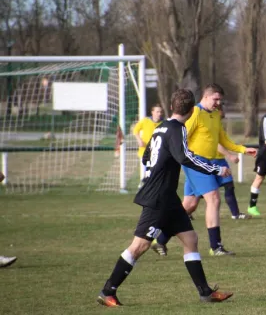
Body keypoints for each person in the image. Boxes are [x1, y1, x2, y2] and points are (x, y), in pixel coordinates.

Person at [96, 89, 233, 307]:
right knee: (139, 246)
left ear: (172, 107)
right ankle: (107, 291)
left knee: (191, 239)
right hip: (158, 198)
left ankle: (205, 292)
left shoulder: (160, 128)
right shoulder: (177, 129)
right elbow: (185, 157)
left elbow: (148, 157)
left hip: (167, 197)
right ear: (190, 111)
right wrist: (215, 169)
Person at [151, 84, 256, 257]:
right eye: (215, 99)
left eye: (220, 100)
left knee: (189, 206)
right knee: (214, 199)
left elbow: (223, 140)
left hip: (207, 164)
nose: (218, 103)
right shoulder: (195, 113)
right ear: (205, 97)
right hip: (196, 163)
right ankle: (216, 246)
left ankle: (160, 239)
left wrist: (243, 150)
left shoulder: (214, 115)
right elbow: (180, 137)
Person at [214, 105, 251, 220]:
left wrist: (243, 149)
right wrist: (230, 155)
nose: (224, 112)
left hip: (220, 160)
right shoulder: (209, 123)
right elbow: (214, 143)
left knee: (229, 186)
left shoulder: (218, 124)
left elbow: (226, 142)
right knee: (202, 193)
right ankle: (185, 213)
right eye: (222, 110)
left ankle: (236, 214)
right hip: (209, 160)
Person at [132, 104, 164, 187]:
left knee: (154, 169)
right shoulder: (145, 121)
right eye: (157, 112)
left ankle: (145, 183)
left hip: (157, 151)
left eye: (160, 112)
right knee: (150, 168)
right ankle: (145, 183)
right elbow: (135, 130)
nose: (159, 114)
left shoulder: (163, 123)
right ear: (152, 112)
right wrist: (139, 140)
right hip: (145, 150)